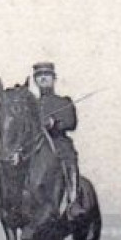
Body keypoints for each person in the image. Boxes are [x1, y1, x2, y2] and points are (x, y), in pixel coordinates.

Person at [31, 61, 83, 218]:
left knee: (69, 161)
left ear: (54, 79)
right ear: (35, 80)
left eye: (46, 75)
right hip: (35, 146)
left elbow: (71, 123)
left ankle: (73, 202)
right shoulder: (31, 105)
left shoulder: (63, 102)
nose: (43, 79)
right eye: (39, 76)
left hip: (58, 144)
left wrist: (54, 123)